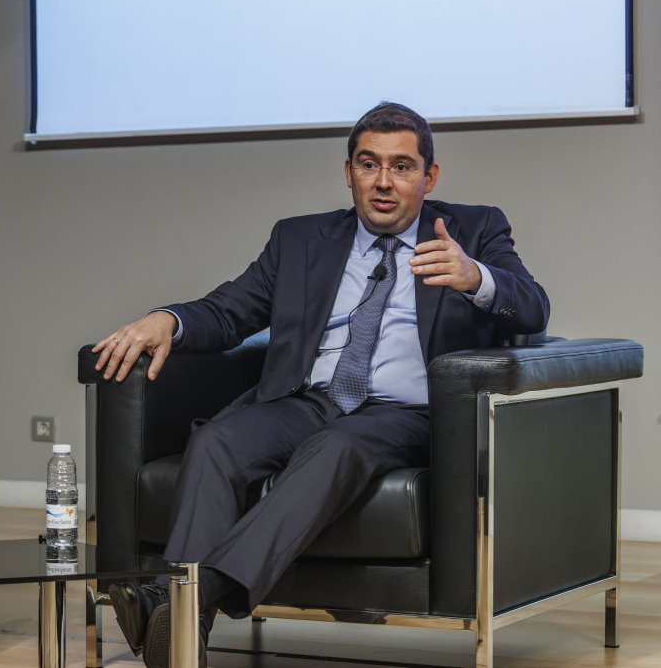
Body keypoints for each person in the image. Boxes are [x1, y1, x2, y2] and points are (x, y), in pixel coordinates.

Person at [92, 102, 549, 668]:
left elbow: (533, 308)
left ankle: (189, 595)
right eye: (368, 164)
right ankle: (186, 636)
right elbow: (230, 311)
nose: (383, 182)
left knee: (336, 448)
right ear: (349, 171)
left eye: (402, 167)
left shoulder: (474, 229)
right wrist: (169, 319)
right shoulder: (301, 239)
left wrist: (476, 277)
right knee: (217, 441)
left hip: (402, 413)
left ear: (428, 177)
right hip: (306, 400)